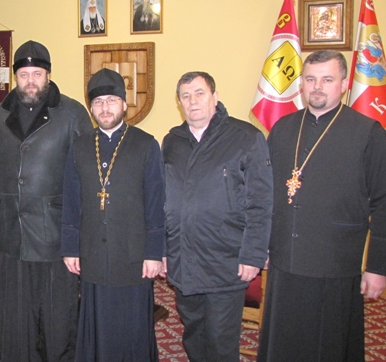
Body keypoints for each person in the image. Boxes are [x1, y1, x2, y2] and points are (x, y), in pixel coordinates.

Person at [258, 50, 386, 362]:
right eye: (311, 79)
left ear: (344, 84)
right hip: (285, 257)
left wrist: (378, 267)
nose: (317, 86)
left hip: (334, 261)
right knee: (284, 341)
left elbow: (383, 203)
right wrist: (263, 245)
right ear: (301, 83)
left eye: (327, 79)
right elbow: (266, 194)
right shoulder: (282, 128)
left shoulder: (368, 133)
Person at [0, 40, 93, 362]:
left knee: (57, 304)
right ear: (15, 77)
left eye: (37, 74)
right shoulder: (0, 115)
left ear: (48, 75)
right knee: (18, 303)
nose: (30, 81)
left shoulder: (71, 113)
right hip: (13, 224)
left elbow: (88, 171)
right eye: (24, 74)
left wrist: (85, 221)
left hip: (55, 226)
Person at [162, 71, 272, 362]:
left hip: (226, 260)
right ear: (179, 103)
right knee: (193, 334)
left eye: (199, 93)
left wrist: (254, 254)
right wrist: (163, 249)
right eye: (185, 96)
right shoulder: (172, 142)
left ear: (215, 97)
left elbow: (261, 202)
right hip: (183, 259)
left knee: (221, 341)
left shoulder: (245, 138)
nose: (192, 101)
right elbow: (164, 201)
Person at [62, 68, 165, 361]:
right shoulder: (80, 145)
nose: (104, 107)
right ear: (91, 108)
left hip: (133, 255)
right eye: (98, 102)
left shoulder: (146, 144)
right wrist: (70, 247)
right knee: (96, 323)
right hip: (93, 252)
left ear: (124, 104)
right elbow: (71, 199)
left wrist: (154, 253)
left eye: (111, 101)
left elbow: (156, 202)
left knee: (132, 325)